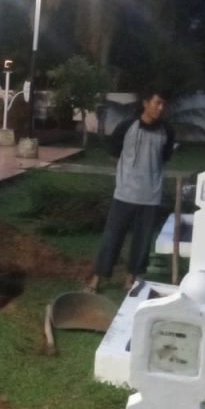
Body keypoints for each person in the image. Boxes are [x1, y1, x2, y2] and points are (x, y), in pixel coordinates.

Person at [86, 88, 175, 293]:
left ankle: (130, 280)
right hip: (124, 194)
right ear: (146, 103)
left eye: (163, 105)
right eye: (157, 103)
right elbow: (114, 153)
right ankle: (96, 281)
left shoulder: (167, 132)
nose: (161, 108)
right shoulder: (127, 127)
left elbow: (165, 157)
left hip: (150, 197)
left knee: (142, 242)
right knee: (112, 237)